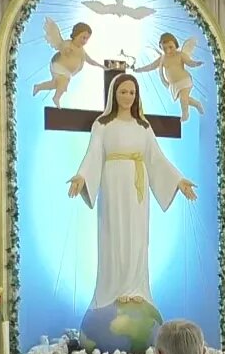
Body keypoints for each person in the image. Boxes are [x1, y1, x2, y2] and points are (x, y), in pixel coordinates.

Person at [67, 74, 197, 311]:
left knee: (137, 236)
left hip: (138, 187)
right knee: (114, 233)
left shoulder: (143, 127)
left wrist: (178, 180)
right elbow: (94, 152)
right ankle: (114, 289)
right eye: (123, 92)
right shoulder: (103, 124)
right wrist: (82, 175)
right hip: (113, 183)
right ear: (114, 94)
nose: (128, 96)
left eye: (132, 92)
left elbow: (157, 158)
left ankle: (136, 288)